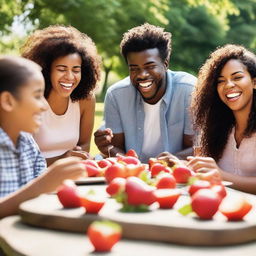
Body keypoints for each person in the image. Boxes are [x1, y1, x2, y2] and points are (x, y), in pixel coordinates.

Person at [94, 23, 196, 163]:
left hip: (176, 173)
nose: (142, 75)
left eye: (150, 66)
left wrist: (174, 160)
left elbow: (198, 147)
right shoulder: (116, 95)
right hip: (131, 174)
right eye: (134, 68)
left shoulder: (188, 90)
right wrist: (107, 147)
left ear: (165, 64)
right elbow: (115, 147)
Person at [0, 56, 86, 218]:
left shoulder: (27, 141)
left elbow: (44, 187)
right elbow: (40, 187)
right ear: (8, 101)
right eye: (38, 96)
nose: (45, 106)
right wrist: (43, 185)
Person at [21, 25, 101, 166]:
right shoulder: (30, 102)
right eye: (61, 69)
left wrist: (75, 156)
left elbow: (84, 143)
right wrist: (60, 160)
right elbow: (22, 162)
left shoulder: (86, 100)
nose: (70, 77)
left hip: (70, 178)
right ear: (46, 70)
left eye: (76, 70)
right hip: (34, 180)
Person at [188, 44, 256, 194]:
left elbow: (217, 175)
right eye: (220, 81)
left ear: (254, 82)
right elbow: (205, 175)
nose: (229, 85)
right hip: (220, 212)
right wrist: (182, 167)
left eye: (237, 77)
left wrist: (223, 177)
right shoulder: (215, 130)